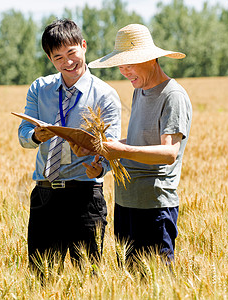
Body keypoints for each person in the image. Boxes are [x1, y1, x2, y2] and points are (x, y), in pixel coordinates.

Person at [75, 23, 192, 265]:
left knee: (155, 283)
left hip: (154, 206)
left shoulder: (173, 96)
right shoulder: (140, 89)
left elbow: (170, 152)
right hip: (126, 202)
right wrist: (102, 150)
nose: (124, 71)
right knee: (129, 281)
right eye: (121, 65)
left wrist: (121, 150)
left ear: (150, 59)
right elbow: (140, 141)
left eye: (129, 64)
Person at [17, 19, 121, 273]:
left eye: (72, 52)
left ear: (83, 46)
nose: (67, 62)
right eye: (58, 57)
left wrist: (100, 168)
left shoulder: (104, 95)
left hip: (85, 196)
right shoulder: (40, 89)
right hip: (45, 194)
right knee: (41, 278)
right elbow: (23, 135)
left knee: (86, 278)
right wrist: (36, 136)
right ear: (51, 60)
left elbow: (112, 147)